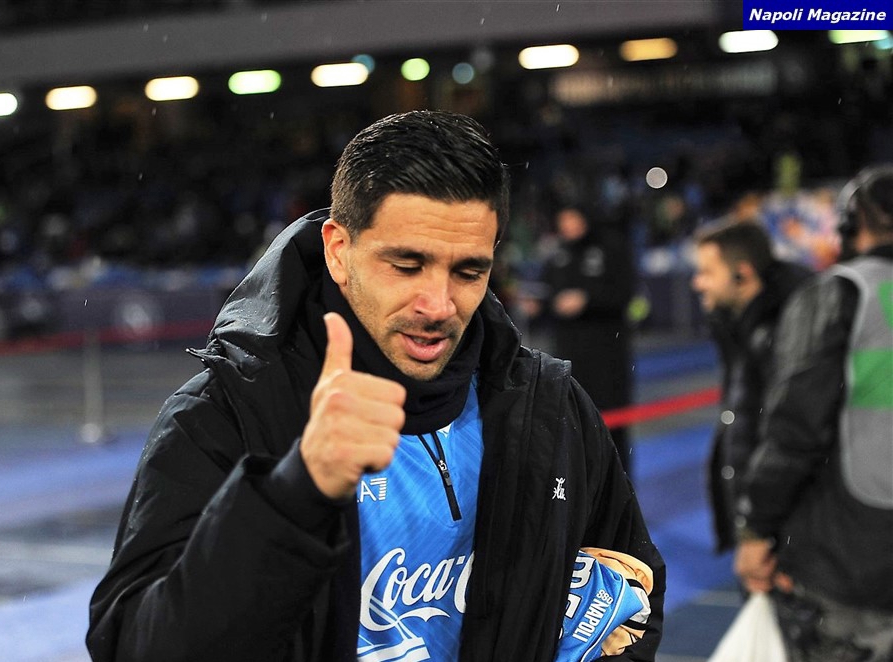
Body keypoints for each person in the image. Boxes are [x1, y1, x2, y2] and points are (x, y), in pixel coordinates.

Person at [86, 110, 665, 662]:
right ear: (339, 251)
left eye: (469, 271)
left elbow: (632, 598)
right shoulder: (223, 414)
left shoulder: (549, 406)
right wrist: (294, 492)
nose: (438, 305)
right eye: (406, 266)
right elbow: (136, 647)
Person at [734, 165, 893, 662]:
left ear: (850, 226)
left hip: (852, 554)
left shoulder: (840, 292)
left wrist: (758, 527)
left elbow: (796, 428)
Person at [689, 219, 812, 553]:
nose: (697, 283)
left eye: (707, 272)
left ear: (742, 274)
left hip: (788, 533)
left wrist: (758, 532)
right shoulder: (738, 323)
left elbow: (792, 438)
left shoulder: (788, 335)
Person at [533, 206, 637, 474]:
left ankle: (620, 486)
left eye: (573, 218)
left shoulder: (612, 247)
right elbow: (545, 292)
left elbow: (625, 293)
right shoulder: (557, 253)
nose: (568, 225)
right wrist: (539, 306)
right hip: (568, 356)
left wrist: (588, 300)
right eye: (563, 220)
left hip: (607, 356)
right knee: (574, 426)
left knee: (612, 427)